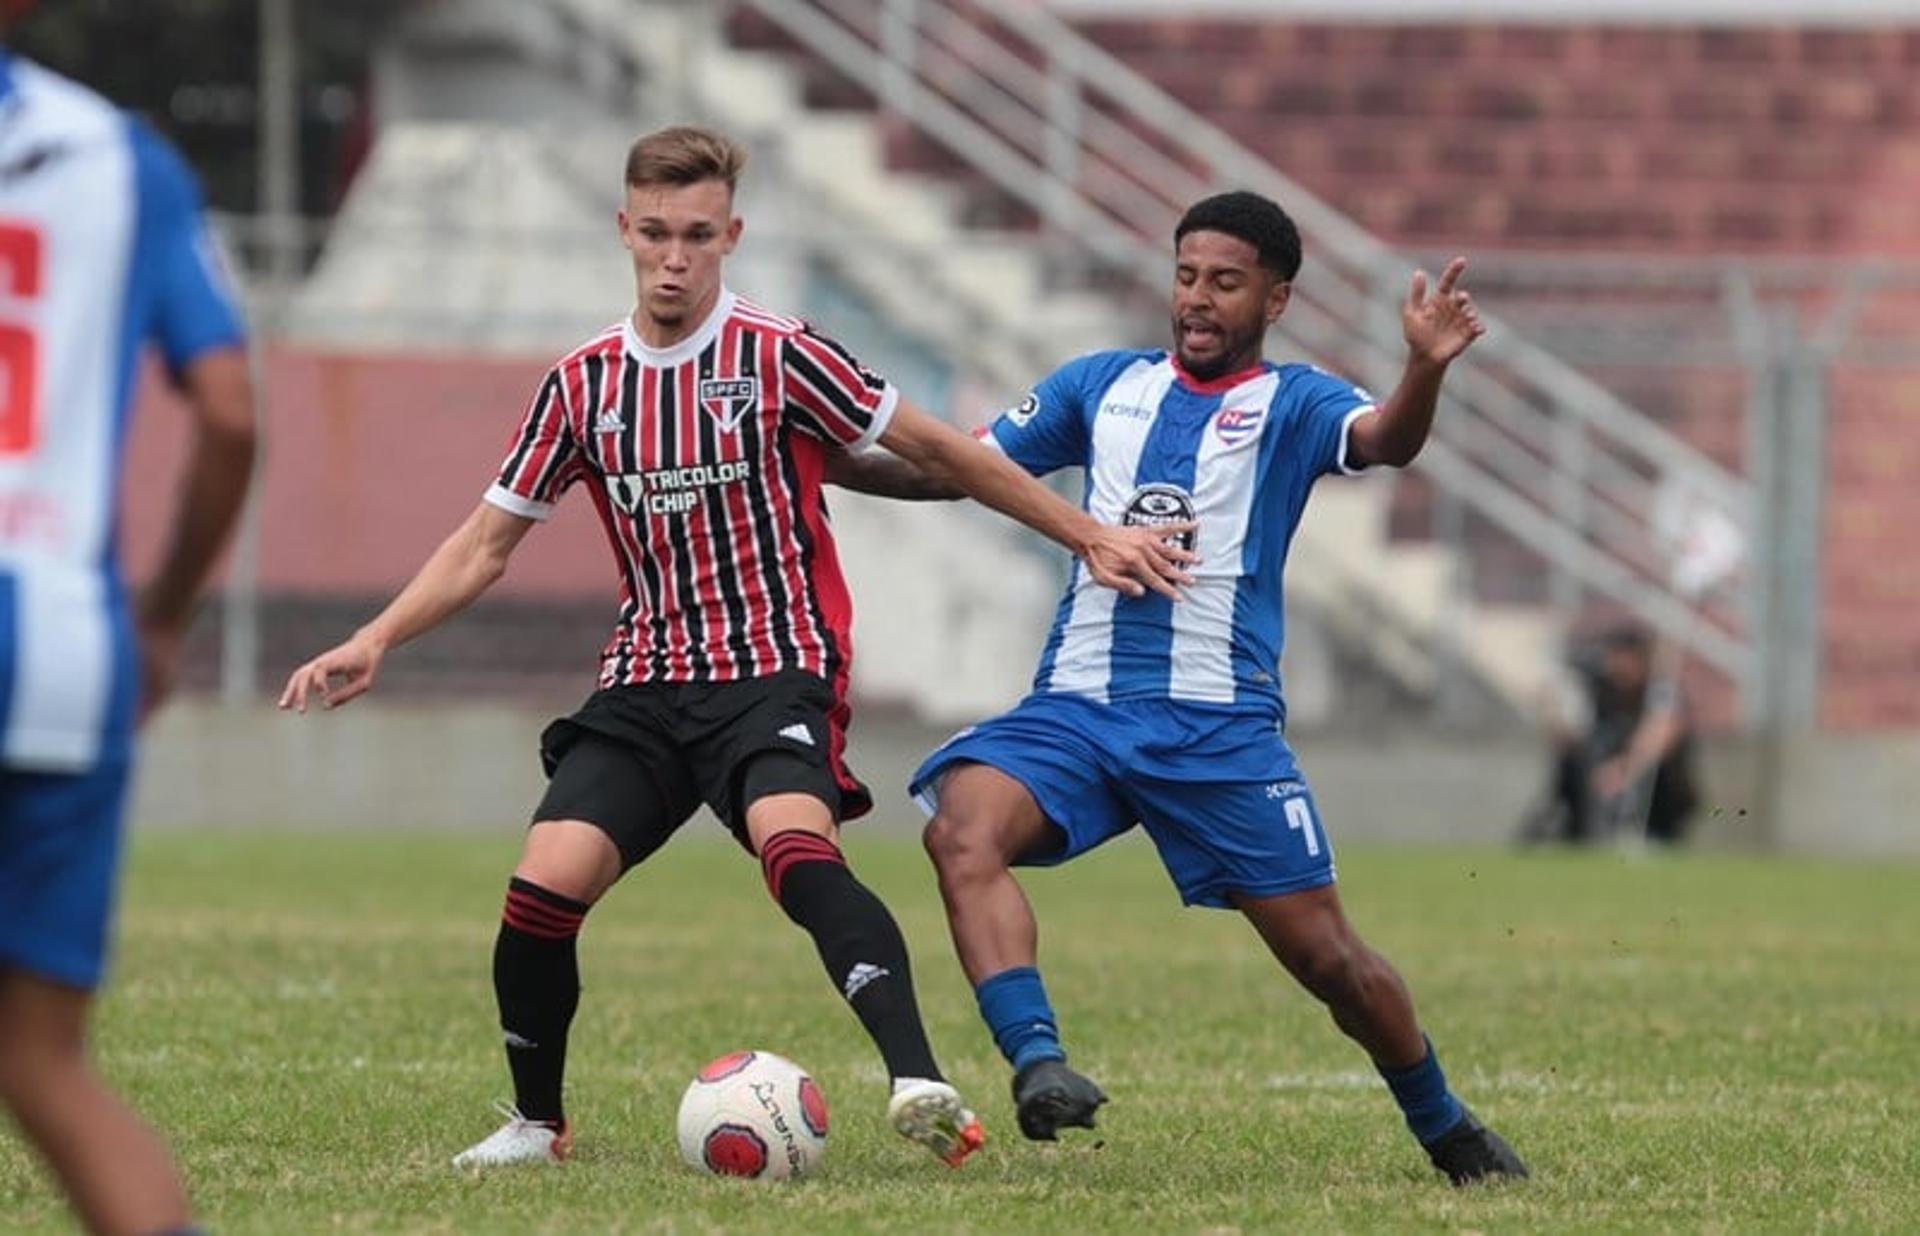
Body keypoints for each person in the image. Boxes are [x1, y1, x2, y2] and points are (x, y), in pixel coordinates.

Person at [277, 125, 1192, 1171]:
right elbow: (487, 543)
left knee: (794, 850)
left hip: (773, 667)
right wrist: (377, 636)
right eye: (656, 233)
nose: (675, 256)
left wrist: (1086, 531)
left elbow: (936, 449)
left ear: (731, 237)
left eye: (698, 236)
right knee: (541, 890)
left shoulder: (780, 353)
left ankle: (918, 1079)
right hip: (647, 683)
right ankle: (538, 1123)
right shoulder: (582, 385)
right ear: (624, 229)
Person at [826, 191, 1530, 1185]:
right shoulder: (1100, 387)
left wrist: (1422, 367)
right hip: (1075, 712)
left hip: (1216, 730)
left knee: (1333, 963)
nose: (1198, 300)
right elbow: (957, 471)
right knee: (962, 832)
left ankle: (1446, 1126)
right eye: (1187, 276)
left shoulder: (1292, 403)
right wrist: (819, 457)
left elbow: (1385, 442)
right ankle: (1039, 1065)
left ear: (1274, 299)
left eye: (1226, 283)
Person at [0, 34, 258, 1236]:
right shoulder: (120, 156)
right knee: (43, 1061)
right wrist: (159, 618)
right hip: (64, 646)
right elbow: (229, 416)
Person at [1520, 623, 1698, 846]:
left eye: (1627, 658)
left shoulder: (1661, 691)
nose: (1619, 666)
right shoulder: (1597, 689)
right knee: (1572, 764)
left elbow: (1661, 734)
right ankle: (1573, 831)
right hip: (1597, 777)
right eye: (1615, 657)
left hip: (1657, 792)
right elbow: (1569, 732)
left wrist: (1625, 769)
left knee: (1654, 773)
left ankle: (1648, 835)